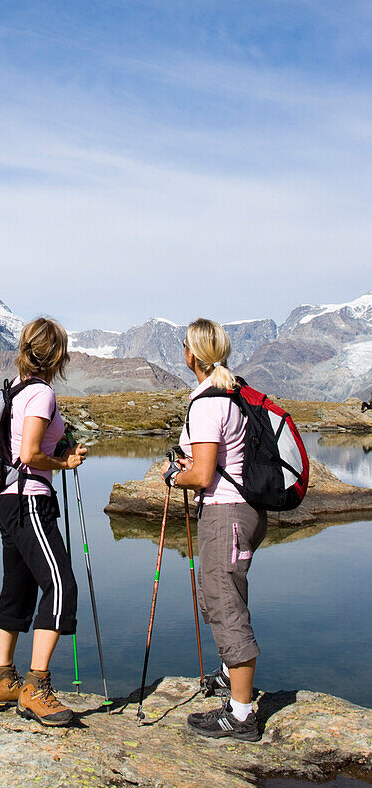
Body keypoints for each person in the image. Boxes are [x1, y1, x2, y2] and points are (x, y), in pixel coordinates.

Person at [161, 317, 266, 743]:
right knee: (225, 595)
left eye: (183, 346)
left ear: (192, 355)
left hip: (226, 515)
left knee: (225, 605)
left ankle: (242, 716)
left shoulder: (207, 402)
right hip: (243, 511)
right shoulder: (231, 393)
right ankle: (228, 679)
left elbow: (203, 475)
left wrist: (174, 476)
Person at [0, 316, 87, 727]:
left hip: (7, 499)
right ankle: (36, 687)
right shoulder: (42, 393)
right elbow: (29, 454)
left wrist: (56, 448)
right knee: (61, 586)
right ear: (57, 355)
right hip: (30, 500)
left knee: (18, 586)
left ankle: (2, 680)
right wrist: (63, 461)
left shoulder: (13, 388)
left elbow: (18, 447)